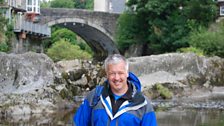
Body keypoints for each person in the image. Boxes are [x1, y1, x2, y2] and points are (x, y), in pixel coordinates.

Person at [73, 54, 157, 126]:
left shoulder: (143, 104)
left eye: (120, 73)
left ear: (127, 73)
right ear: (107, 74)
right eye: (112, 73)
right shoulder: (94, 97)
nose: (117, 78)